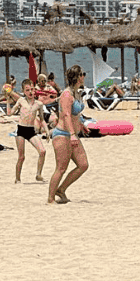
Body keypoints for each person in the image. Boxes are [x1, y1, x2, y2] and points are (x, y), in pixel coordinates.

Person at [47, 65, 89, 205]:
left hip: (73, 133)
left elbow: (74, 113)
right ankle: (50, 198)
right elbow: (65, 115)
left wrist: (81, 124)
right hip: (63, 134)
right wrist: (72, 134)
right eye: (82, 74)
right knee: (61, 168)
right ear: (77, 77)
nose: (84, 76)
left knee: (83, 165)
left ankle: (62, 189)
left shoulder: (76, 92)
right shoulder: (66, 94)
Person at [7, 79, 46, 183]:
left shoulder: (39, 104)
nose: (30, 92)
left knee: (42, 151)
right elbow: (10, 113)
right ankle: (17, 179)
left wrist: (46, 130)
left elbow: (42, 119)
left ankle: (38, 174)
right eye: (27, 90)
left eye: (32, 89)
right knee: (21, 157)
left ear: (35, 90)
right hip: (21, 130)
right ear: (24, 91)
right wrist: (7, 101)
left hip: (31, 131)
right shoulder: (21, 101)